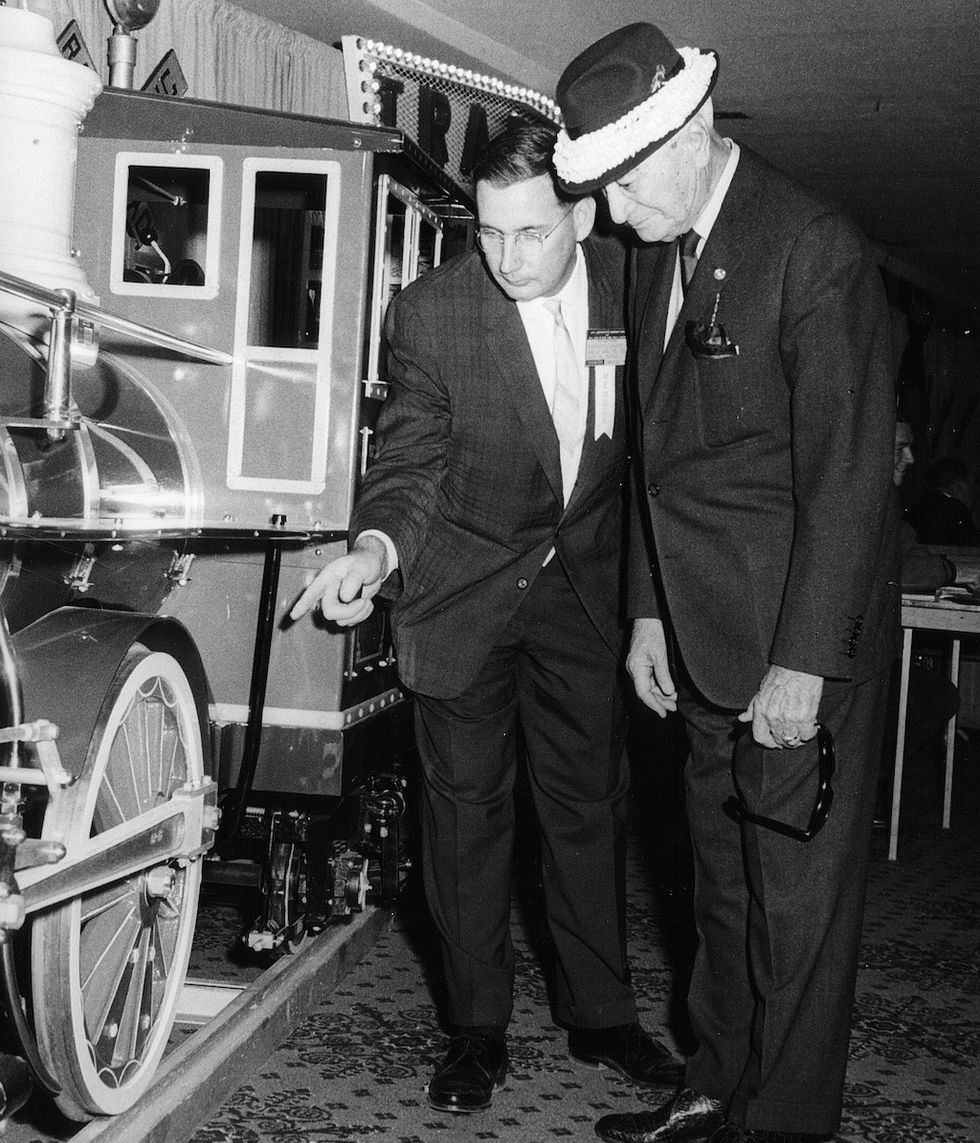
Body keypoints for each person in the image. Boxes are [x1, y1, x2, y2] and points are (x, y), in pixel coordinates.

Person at [553, 23, 900, 1143]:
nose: (608, 213)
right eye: (593, 184)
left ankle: (782, 1125)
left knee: (793, 915)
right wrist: (647, 611)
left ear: (695, 130)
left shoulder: (812, 249)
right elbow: (664, 460)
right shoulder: (660, 245)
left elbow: (847, 480)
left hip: (793, 650)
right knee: (719, 890)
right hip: (696, 639)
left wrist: (803, 662)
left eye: (622, 179)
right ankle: (713, 1089)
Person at [291, 119, 681, 1114]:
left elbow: (654, 461)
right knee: (464, 819)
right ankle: (475, 1028)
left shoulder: (637, 288)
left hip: (583, 590)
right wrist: (376, 553)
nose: (505, 259)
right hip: (462, 585)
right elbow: (410, 461)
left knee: (585, 806)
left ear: (583, 215)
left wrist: (652, 606)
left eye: (530, 235)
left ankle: (599, 1013)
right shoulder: (431, 314)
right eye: (489, 233)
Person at [904, 454, 980, 546]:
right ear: (959, 486)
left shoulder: (917, 507)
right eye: (973, 486)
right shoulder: (956, 510)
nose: (975, 493)